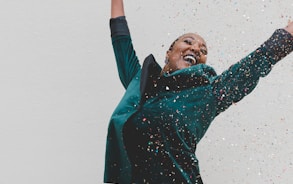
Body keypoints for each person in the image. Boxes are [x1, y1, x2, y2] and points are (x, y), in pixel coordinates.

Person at [104, 0, 293, 183]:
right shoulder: (139, 83)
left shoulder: (207, 94)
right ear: (169, 52)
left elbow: (251, 66)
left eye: (203, 51)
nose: (195, 48)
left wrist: (288, 33)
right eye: (188, 41)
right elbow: (121, 39)